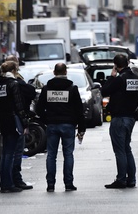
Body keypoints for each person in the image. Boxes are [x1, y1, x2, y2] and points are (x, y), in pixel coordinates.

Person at [35, 62, 85, 192]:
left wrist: (46, 119)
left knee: (51, 155)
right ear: (66, 72)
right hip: (68, 125)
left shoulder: (47, 89)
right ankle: (68, 183)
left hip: (52, 125)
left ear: (54, 73)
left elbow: (39, 108)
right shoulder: (72, 88)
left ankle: (50, 184)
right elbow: (80, 110)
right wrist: (81, 128)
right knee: (68, 154)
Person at [100, 54, 138, 189]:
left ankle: (121, 179)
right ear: (128, 63)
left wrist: (112, 76)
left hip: (119, 118)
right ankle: (132, 179)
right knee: (127, 149)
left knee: (120, 151)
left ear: (116, 66)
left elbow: (104, 91)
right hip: (131, 118)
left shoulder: (119, 79)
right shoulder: (136, 78)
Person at [0, 61, 29, 193]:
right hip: (13, 120)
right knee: (11, 153)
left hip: (4, 120)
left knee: (5, 153)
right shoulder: (13, 84)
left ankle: (4, 182)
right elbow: (18, 105)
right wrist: (24, 123)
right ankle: (8, 184)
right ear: (13, 70)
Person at [5, 55, 36, 190]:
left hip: (6, 119)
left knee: (8, 153)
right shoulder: (15, 82)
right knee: (16, 151)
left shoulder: (1, 81)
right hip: (16, 118)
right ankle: (15, 180)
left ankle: (7, 182)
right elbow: (28, 93)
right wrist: (24, 120)